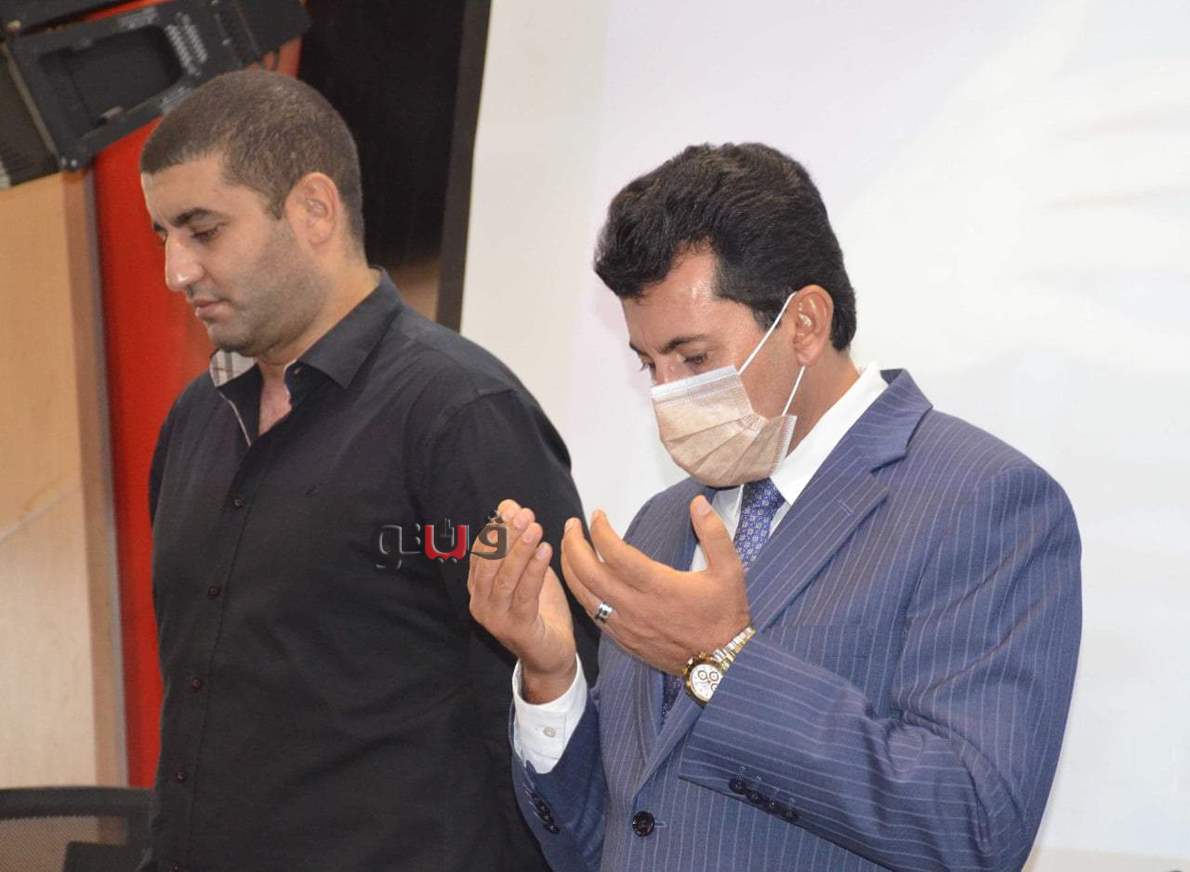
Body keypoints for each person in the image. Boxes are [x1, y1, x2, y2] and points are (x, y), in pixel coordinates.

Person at [467, 143, 1082, 871]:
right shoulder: (663, 522)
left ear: (805, 324)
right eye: (648, 363)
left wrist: (722, 662)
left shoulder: (986, 501)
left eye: (693, 358)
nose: (666, 393)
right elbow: (616, 836)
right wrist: (551, 679)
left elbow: (973, 829)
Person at [137, 68, 597, 872]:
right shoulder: (194, 420)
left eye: (203, 231)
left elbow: (555, 701)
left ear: (314, 209)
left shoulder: (461, 414)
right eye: (163, 236)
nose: (177, 271)